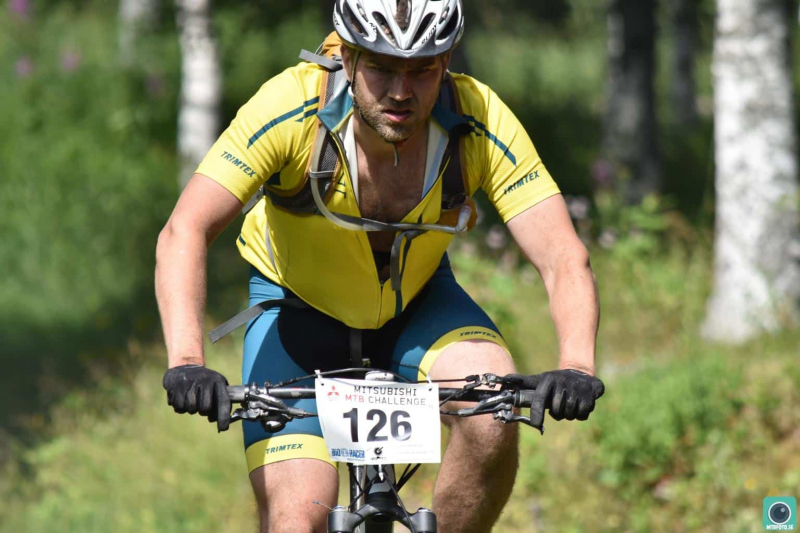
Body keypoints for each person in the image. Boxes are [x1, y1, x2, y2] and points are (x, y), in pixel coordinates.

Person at [155, 1, 604, 531]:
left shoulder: (477, 117)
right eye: (382, 68)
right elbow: (186, 229)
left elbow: (561, 254)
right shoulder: (290, 106)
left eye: (421, 70)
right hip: (294, 312)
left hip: (418, 304)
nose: (400, 92)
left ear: (447, 62)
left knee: (491, 414)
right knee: (297, 518)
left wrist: (577, 365)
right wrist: (187, 360)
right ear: (347, 59)